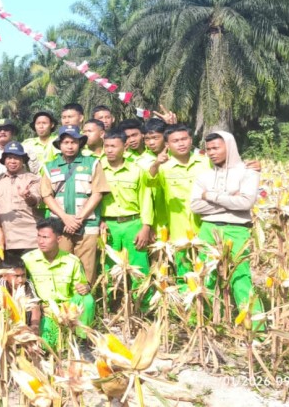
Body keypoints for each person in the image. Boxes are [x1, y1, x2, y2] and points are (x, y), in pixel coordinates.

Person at [190, 132, 264, 329]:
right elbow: (196, 206)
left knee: (241, 278)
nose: (212, 153)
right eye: (209, 150)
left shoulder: (248, 171)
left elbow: (246, 202)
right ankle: (204, 323)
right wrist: (229, 198)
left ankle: (255, 329)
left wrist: (210, 196)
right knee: (204, 276)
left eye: (216, 148)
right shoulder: (203, 176)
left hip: (237, 230)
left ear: (229, 147)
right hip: (208, 228)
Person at [40, 126, 110, 284]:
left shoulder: (92, 163)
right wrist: (65, 218)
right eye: (66, 142)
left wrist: (78, 219)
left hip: (87, 224)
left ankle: (86, 306)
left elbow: (97, 193)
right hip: (60, 226)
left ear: (80, 143)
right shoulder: (50, 166)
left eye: (74, 142)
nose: (70, 146)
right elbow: (46, 196)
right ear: (59, 144)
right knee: (61, 268)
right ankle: (64, 307)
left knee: (86, 270)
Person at [21, 218, 95, 350]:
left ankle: (82, 341)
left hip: (67, 308)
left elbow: (81, 287)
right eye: (39, 236)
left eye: (45, 237)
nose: (40, 241)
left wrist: (85, 287)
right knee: (47, 346)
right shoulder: (27, 260)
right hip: (45, 311)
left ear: (59, 239)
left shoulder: (72, 261)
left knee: (87, 300)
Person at [148, 124, 211, 276]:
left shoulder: (206, 163)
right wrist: (156, 163)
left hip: (206, 224)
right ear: (167, 145)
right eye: (175, 141)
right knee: (184, 271)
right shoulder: (163, 167)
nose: (181, 143)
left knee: (209, 268)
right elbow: (150, 181)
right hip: (179, 228)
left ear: (191, 140)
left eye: (184, 139)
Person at [100, 130, 154, 290]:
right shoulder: (98, 169)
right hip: (108, 226)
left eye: (114, 146)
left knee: (139, 267)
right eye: (107, 146)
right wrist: (99, 221)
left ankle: (143, 306)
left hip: (133, 223)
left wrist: (146, 227)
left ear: (125, 147)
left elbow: (146, 200)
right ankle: (110, 307)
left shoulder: (137, 170)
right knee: (108, 268)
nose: (109, 150)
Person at [0, 142, 42, 262]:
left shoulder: (33, 179)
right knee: (10, 277)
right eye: (9, 158)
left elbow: (35, 201)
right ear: (4, 160)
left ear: (23, 160)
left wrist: (27, 196)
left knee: (30, 277)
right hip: (7, 240)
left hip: (30, 239)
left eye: (17, 158)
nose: (13, 161)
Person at [0, 258, 42, 333]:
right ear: (4, 276)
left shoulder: (27, 283)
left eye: (23, 275)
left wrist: (35, 326)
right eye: (16, 276)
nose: (20, 280)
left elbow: (35, 306)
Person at [22, 110, 59, 174]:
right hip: (33, 181)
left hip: (55, 179)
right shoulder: (27, 144)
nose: (41, 126)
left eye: (44, 123)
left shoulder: (59, 140)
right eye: (38, 123)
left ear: (52, 125)